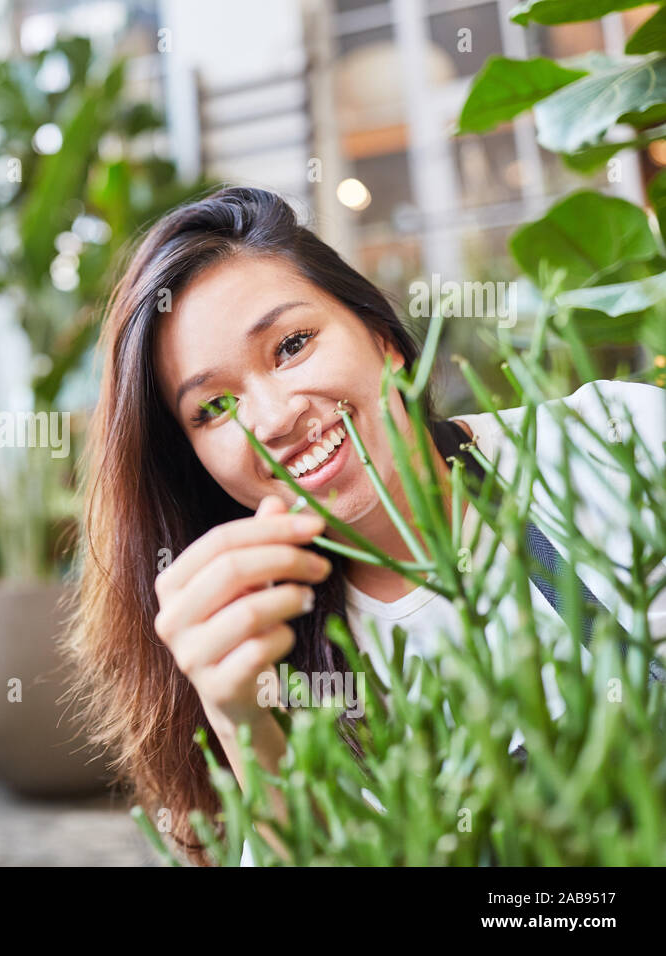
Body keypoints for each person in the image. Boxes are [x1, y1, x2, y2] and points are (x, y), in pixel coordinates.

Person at [62, 185, 666, 865]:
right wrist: (242, 720)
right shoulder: (265, 653)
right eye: (215, 406)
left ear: (383, 338)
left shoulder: (619, 445)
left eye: (291, 345)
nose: (273, 418)